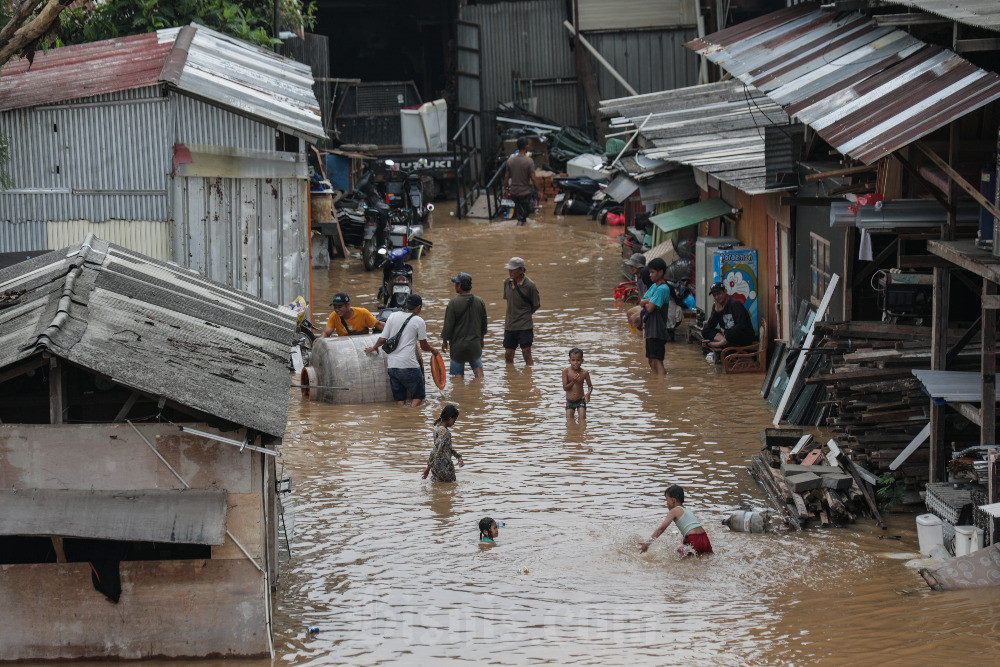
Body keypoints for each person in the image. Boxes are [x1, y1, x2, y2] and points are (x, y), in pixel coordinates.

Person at [365, 294, 439, 407]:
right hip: (409, 365)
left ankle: (402, 416)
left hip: (392, 366)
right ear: (418, 307)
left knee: (400, 398)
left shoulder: (392, 316)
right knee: (419, 395)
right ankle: (410, 417)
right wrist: (434, 350)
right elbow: (424, 346)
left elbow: (382, 339)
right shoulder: (419, 321)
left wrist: (373, 348)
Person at [639, 485, 713, 556]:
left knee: (678, 555)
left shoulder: (674, 511)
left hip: (693, 538)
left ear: (672, 500)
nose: (666, 504)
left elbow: (661, 528)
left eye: (667, 500)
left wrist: (647, 543)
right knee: (705, 557)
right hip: (704, 537)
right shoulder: (687, 510)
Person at [442, 271, 488, 378]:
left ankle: (460, 393)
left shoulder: (453, 303)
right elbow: (484, 324)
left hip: (458, 347)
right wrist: (481, 339)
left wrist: (445, 341)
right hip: (474, 345)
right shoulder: (479, 301)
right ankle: (479, 392)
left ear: (460, 286)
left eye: (456, 284)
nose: (455, 286)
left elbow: (448, 326)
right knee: (479, 373)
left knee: (458, 377)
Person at [701, 281, 754, 363]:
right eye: (714, 295)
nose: (717, 297)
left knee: (729, 334)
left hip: (742, 335)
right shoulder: (716, 306)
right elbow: (711, 326)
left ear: (725, 292)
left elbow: (742, 325)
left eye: (719, 293)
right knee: (705, 330)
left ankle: (719, 343)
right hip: (727, 335)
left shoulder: (735, 304)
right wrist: (716, 312)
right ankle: (724, 342)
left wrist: (727, 333)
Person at [502, 257, 541, 366]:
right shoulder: (507, 282)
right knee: (508, 354)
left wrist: (525, 315)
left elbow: (536, 304)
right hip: (510, 325)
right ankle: (510, 376)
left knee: (526, 353)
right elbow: (509, 301)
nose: (510, 272)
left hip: (525, 326)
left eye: (513, 270)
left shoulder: (530, 285)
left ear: (521, 270)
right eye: (509, 269)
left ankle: (529, 377)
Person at [638, 258, 671, 375]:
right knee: (651, 360)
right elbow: (641, 301)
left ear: (660, 272)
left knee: (658, 361)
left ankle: (660, 386)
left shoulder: (663, 289)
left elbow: (649, 308)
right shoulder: (654, 287)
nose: (650, 275)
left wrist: (647, 302)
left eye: (652, 272)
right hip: (651, 329)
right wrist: (648, 300)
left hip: (658, 330)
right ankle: (656, 387)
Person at [422, 405, 464, 482]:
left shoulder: (437, 429)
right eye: (454, 421)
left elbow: (447, 448)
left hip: (435, 466)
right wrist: (427, 469)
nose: (454, 423)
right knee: (451, 486)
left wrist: (458, 457)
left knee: (437, 487)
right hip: (444, 466)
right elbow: (436, 449)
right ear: (450, 419)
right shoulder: (445, 432)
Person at [503, 137, 541, 225]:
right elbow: (534, 178)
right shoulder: (529, 161)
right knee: (521, 219)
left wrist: (504, 189)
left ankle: (522, 235)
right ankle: (519, 235)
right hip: (524, 193)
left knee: (522, 216)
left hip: (514, 193)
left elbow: (506, 177)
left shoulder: (510, 160)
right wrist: (540, 191)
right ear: (527, 147)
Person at [562, 348, 593, 422]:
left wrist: (588, 393)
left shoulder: (585, 372)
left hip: (581, 400)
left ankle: (581, 433)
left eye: (578, 360)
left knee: (582, 421)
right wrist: (573, 381)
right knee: (569, 423)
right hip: (570, 401)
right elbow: (565, 388)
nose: (576, 362)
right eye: (573, 360)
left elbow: (590, 386)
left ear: (582, 361)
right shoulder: (566, 371)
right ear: (569, 361)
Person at [625, 253, 649, 330]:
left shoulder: (645, 277)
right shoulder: (638, 277)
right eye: (630, 266)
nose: (631, 268)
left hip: (648, 305)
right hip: (642, 304)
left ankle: (640, 336)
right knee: (629, 313)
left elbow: (646, 296)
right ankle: (633, 334)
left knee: (634, 318)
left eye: (633, 266)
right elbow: (639, 293)